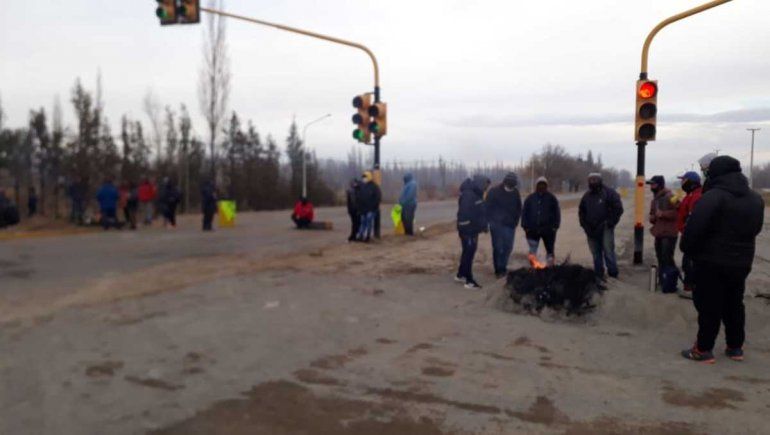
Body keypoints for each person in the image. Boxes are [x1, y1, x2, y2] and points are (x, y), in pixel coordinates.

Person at [680, 155, 764, 363]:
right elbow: (756, 229)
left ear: (716, 172)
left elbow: (694, 230)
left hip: (711, 261)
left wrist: (688, 250)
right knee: (734, 303)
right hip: (742, 262)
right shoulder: (755, 199)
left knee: (709, 305)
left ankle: (703, 349)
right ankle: (735, 347)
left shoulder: (713, 197)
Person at [579, 173, 624, 279]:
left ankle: (613, 273)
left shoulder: (609, 193)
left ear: (600, 180)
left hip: (605, 228)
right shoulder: (586, 196)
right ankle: (598, 274)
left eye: (595, 179)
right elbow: (581, 212)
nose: (593, 182)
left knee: (608, 251)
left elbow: (618, 209)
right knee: (595, 253)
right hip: (590, 229)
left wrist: (610, 222)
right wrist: (585, 226)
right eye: (590, 180)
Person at [646, 175, 680, 293]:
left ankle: (671, 282)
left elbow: (679, 211)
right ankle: (663, 280)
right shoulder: (654, 200)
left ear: (660, 185)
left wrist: (663, 214)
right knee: (660, 258)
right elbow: (653, 214)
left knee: (667, 258)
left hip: (669, 234)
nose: (651, 186)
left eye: (653, 184)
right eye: (650, 184)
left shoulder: (671, 196)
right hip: (659, 233)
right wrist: (652, 217)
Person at [456, 175, 490, 289]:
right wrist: (476, 226)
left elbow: (479, 212)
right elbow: (467, 214)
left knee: (467, 251)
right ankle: (469, 281)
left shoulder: (475, 193)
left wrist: (483, 225)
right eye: (485, 186)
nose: (486, 188)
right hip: (468, 230)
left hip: (471, 229)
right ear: (480, 183)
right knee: (469, 253)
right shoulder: (469, 195)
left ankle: (461, 274)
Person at [485, 172, 522, 278]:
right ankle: (498, 270)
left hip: (510, 225)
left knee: (508, 247)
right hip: (496, 225)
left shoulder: (515, 192)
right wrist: (490, 221)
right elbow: (487, 207)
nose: (511, 188)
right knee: (498, 247)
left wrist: (515, 221)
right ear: (505, 182)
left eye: (513, 186)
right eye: (510, 186)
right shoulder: (494, 191)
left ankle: (503, 267)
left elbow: (519, 208)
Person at [522, 176, 561, 266]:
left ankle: (550, 268)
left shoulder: (552, 198)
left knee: (550, 251)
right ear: (536, 185)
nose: (541, 186)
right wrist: (525, 227)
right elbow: (524, 213)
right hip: (532, 230)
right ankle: (533, 268)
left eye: (543, 184)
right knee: (532, 251)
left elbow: (557, 213)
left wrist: (555, 227)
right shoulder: (530, 198)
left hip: (548, 230)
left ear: (546, 186)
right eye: (539, 184)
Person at [676, 171, 703, 294]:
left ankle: (691, 289)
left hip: (692, 237)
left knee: (689, 263)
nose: (682, 183)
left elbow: (693, 218)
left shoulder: (696, 196)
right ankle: (689, 287)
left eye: (683, 180)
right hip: (688, 234)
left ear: (691, 182)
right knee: (687, 263)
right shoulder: (690, 195)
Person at [356, 171, 381, 242]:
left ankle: (367, 236)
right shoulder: (362, 186)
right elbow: (359, 197)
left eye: (365, 177)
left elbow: (377, 198)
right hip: (363, 209)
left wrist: (374, 207)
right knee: (363, 223)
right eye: (363, 177)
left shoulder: (374, 187)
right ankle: (361, 235)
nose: (364, 179)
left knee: (368, 223)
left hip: (371, 209)